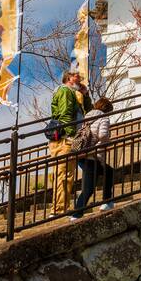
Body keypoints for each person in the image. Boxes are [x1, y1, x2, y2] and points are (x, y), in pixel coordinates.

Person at [47, 69, 89, 215]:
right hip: (65, 139)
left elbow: (88, 112)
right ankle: (59, 210)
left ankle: (59, 208)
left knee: (63, 175)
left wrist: (86, 95)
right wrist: (71, 135)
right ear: (69, 78)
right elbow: (65, 115)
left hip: (63, 138)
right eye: (78, 77)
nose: (80, 80)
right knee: (64, 175)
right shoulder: (65, 91)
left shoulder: (72, 93)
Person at [68, 96, 115, 219]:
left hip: (81, 153)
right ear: (107, 109)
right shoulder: (104, 117)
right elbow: (103, 135)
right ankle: (76, 214)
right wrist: (107, 141)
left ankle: (107, 202)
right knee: (88, 188)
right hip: (91, 155)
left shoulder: (88, 115)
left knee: (108, 171)